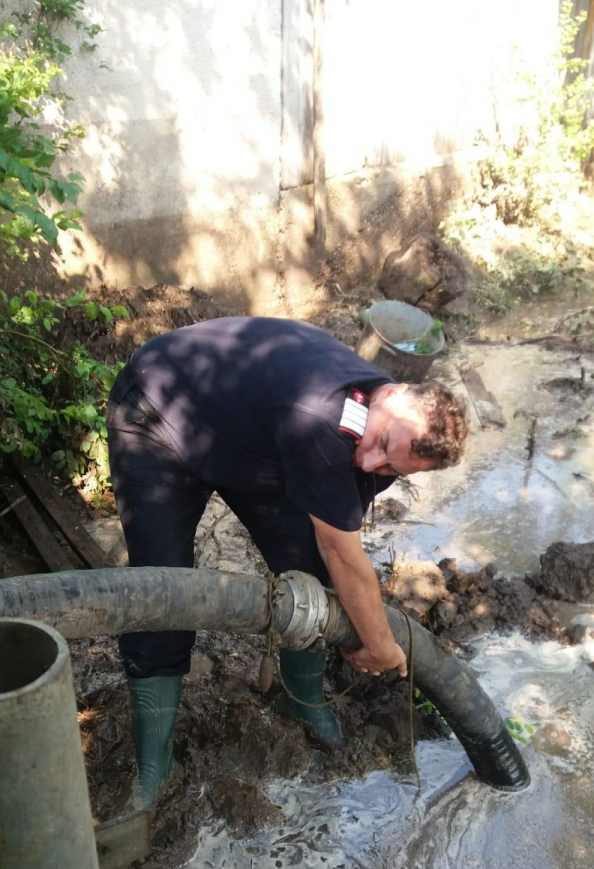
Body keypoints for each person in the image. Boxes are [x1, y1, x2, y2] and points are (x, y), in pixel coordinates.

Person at [106, 316, 470, 805]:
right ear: (394, 392)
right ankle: (154, 765)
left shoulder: (383, 429)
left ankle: (303, 699)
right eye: (381, 444)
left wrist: (355, 612)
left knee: (308, 569)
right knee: (163, 589)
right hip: (159, 413)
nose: (370, 465)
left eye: (391, 467)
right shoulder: (324, 418)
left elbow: (331, 550)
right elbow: (345, 555)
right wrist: (381, 646)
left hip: (248, 439)